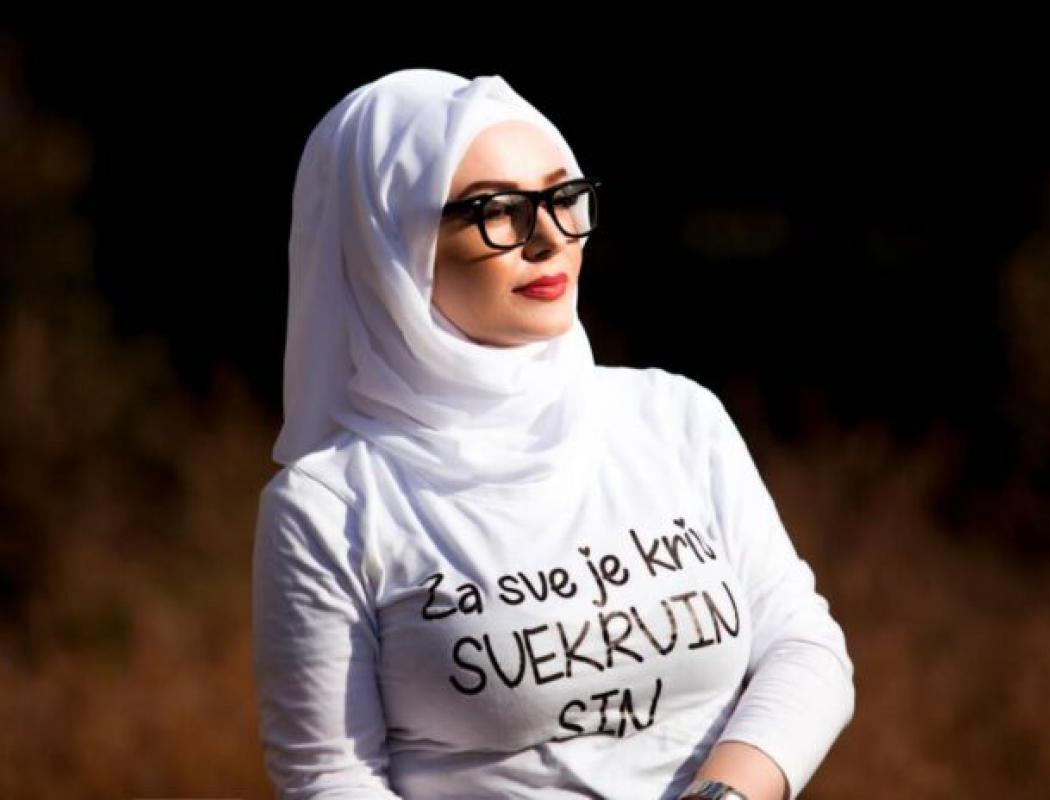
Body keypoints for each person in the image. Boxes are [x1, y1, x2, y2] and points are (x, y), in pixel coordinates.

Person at [251, 68, 855, 800]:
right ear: (391, 244)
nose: (548, 238)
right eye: (497, 211)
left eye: (563, 197)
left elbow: (802, 645)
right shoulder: (330, 506)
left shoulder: (674, 419)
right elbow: (328, 776)